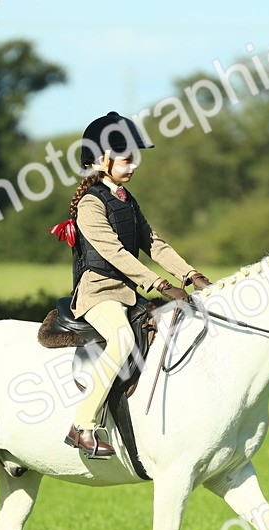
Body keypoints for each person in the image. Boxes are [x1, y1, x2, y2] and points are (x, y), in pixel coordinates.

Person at [50, 111, 210, 459]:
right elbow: (117, 254)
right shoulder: (90, 205)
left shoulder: (126, 199)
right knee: (122, 339)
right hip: (98, 293)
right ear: (99, 159)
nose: (133, 164)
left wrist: (190, 275)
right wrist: (161, 285)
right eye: (126, 158)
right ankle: (83, 426)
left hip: (127, 293)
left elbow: (153, 243)